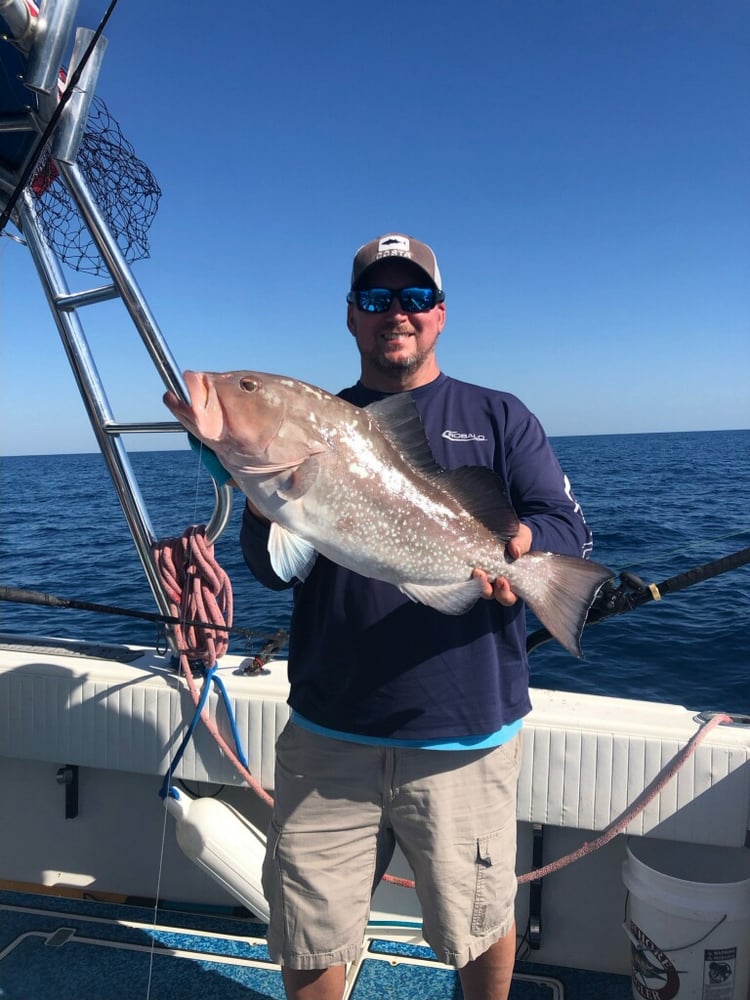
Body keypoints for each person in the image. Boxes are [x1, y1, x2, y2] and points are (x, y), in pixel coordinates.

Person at [240, 233, 595, 1000]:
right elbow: (272, 569)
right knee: (309, 926)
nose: (394, 314)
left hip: (463, 728)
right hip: (330, 729)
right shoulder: (320, 425)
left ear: (439, 314)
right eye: (375, 299)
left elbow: (567, 528)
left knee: (478, 923)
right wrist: (257, 490)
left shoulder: (500, 415)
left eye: (412, 298)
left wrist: (520, 550)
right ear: (351, 317)